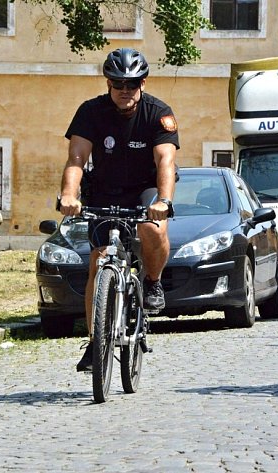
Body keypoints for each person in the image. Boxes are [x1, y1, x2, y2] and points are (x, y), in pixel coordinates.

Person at [59, 48, 179, 372]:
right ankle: (96, 341)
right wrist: (69, 196)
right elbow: (76, 160)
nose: (124, 90)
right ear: (108, 83)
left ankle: (152, 280)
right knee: (98, 264)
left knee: (152, 229)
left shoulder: (158, 113)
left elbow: (165, 160)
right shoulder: (90, 112)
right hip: (104, 189)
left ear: (142, 83)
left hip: (145, 188)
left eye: (131, 83)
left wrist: (163, 202)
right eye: (118, 83)